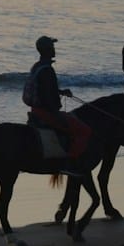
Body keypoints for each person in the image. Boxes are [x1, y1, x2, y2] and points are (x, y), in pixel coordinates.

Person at [22, 35, 91, 171]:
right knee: (84, 131)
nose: (54, 50)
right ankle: (70, 164)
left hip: (36, 110)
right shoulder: (47, 70)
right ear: (47, 49)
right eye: (52, 47)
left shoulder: (38, 66)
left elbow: (44, 88)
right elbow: (47, 96)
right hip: (46, 113)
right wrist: (56, 114)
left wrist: (60, 91)